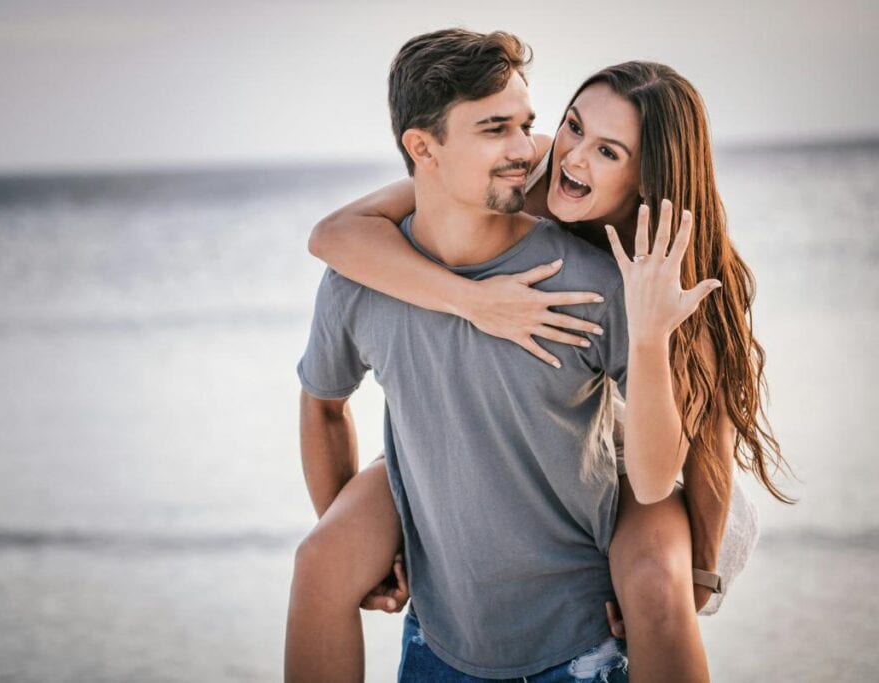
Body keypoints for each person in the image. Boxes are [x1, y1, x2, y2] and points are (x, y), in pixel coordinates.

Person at [291, 42, 792, 683]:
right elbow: (334, 234)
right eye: (572, 128)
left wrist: (701, 571)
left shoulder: (659, 269)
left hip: (650, 438)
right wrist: (473, 302)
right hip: (493, 418)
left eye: (609, 152)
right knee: (324, 558)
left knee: (658, 590)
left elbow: (705, 433)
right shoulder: (528, 171)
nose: (567, 154)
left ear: (648, 178)